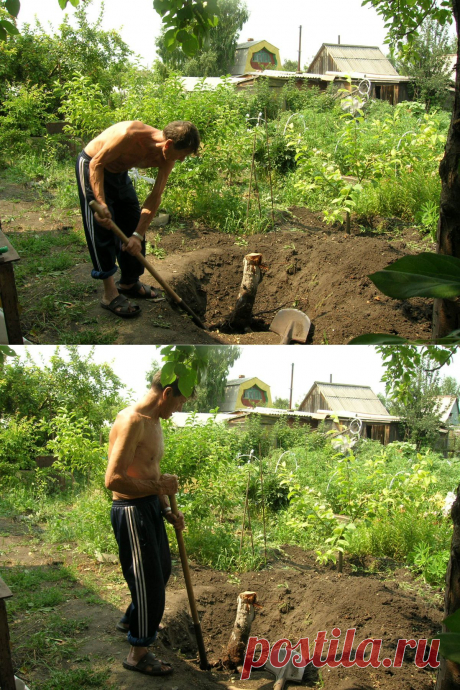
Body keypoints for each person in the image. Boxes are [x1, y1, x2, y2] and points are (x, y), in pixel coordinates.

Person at [105, 371, 188, 676]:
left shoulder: (154, 423)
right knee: (149, 583)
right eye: (180, 402)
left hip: (150, 506)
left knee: (162, 570)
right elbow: (113, 480)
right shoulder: (132, 421)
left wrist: (166, 509)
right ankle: (138, 653)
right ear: (166, 393)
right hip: (130, 510)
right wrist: (159, 490)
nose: (179, 409)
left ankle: (130, 618)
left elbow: (151, 471)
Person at [76, 120, 200, 318]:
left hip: (119, 173)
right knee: (103, 228)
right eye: (182, 155)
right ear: (168, 144)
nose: (182, 160)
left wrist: (137, 234)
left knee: (133, 222)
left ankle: (129, 283)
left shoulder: (168, 158)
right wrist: (101, 203)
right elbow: (96, 163)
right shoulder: (129, 135)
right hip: (92, 166)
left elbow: (155, 196)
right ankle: (109, 294)